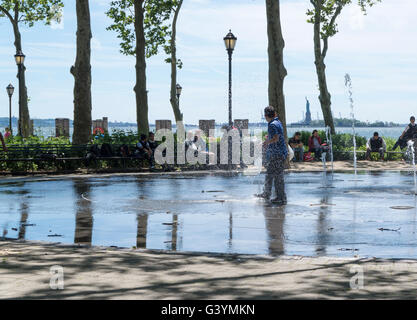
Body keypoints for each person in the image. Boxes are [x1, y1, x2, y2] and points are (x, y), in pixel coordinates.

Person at [256, 106, 288, 205]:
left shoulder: (272, 125)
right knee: (270, 174)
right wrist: (268, 139)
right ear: (275, 114)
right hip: (279, 153)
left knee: (277, 177)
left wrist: (266, 142)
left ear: (266, 116)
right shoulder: (277, 122)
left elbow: (276, 138)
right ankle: (267, 193)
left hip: (277, 154)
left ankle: (281, 197)